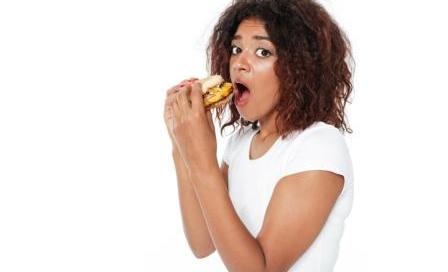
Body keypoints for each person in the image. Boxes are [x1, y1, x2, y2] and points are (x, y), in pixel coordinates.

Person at [163, 0, 354, 271]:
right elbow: (203, 242)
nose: (240, 63)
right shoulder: (240, 142)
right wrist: (181, 145)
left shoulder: (319, 146)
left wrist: (203, 159)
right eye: (236, 48)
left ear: (301, 68)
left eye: (263, 52)